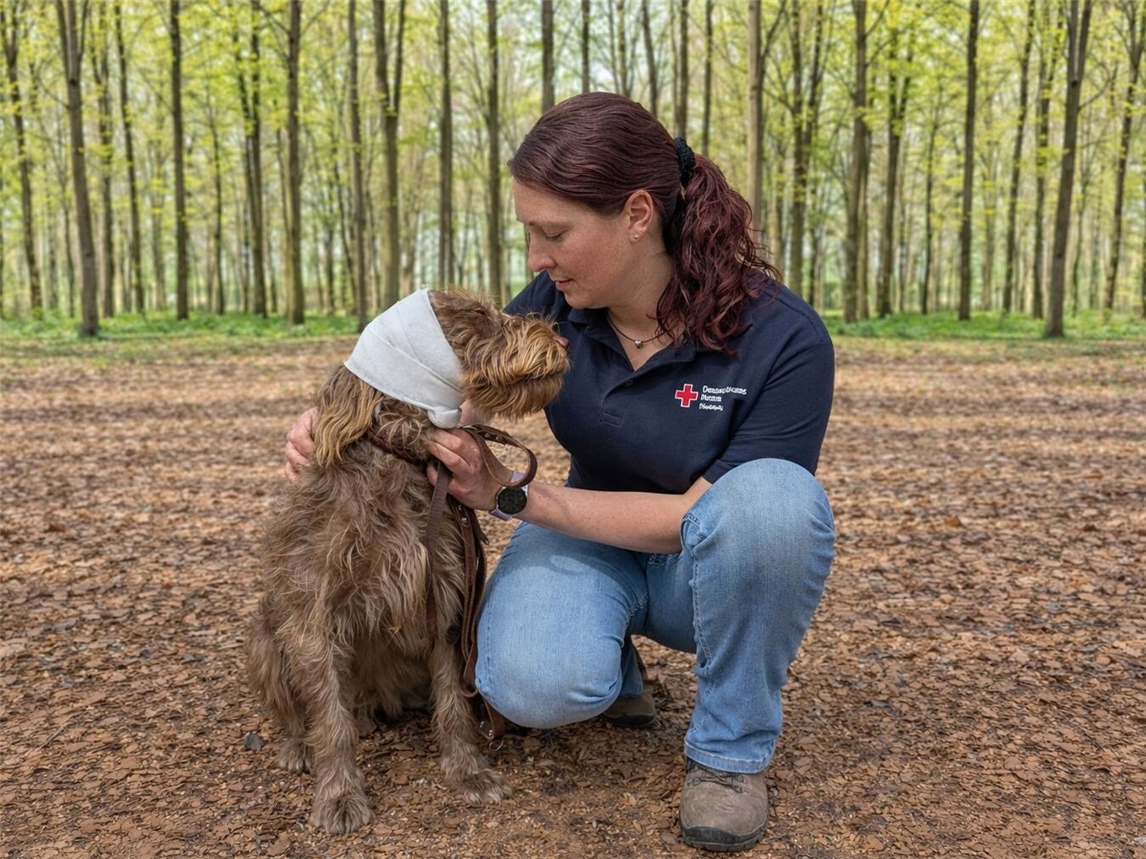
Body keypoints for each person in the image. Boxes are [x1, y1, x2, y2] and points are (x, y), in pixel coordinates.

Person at [285, 92, 835, 853]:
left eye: (554, 233)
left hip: (708, 571)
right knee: (529, 684)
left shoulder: (784, 336)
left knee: (775, 504)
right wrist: (338, 415)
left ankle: (730, 752)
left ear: (638, 214)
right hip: (590, 539)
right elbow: (441, 377)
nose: (536, 259)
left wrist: (512, 493)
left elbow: (691, 519)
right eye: (530, 234)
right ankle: (607, 649)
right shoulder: (558, 302)